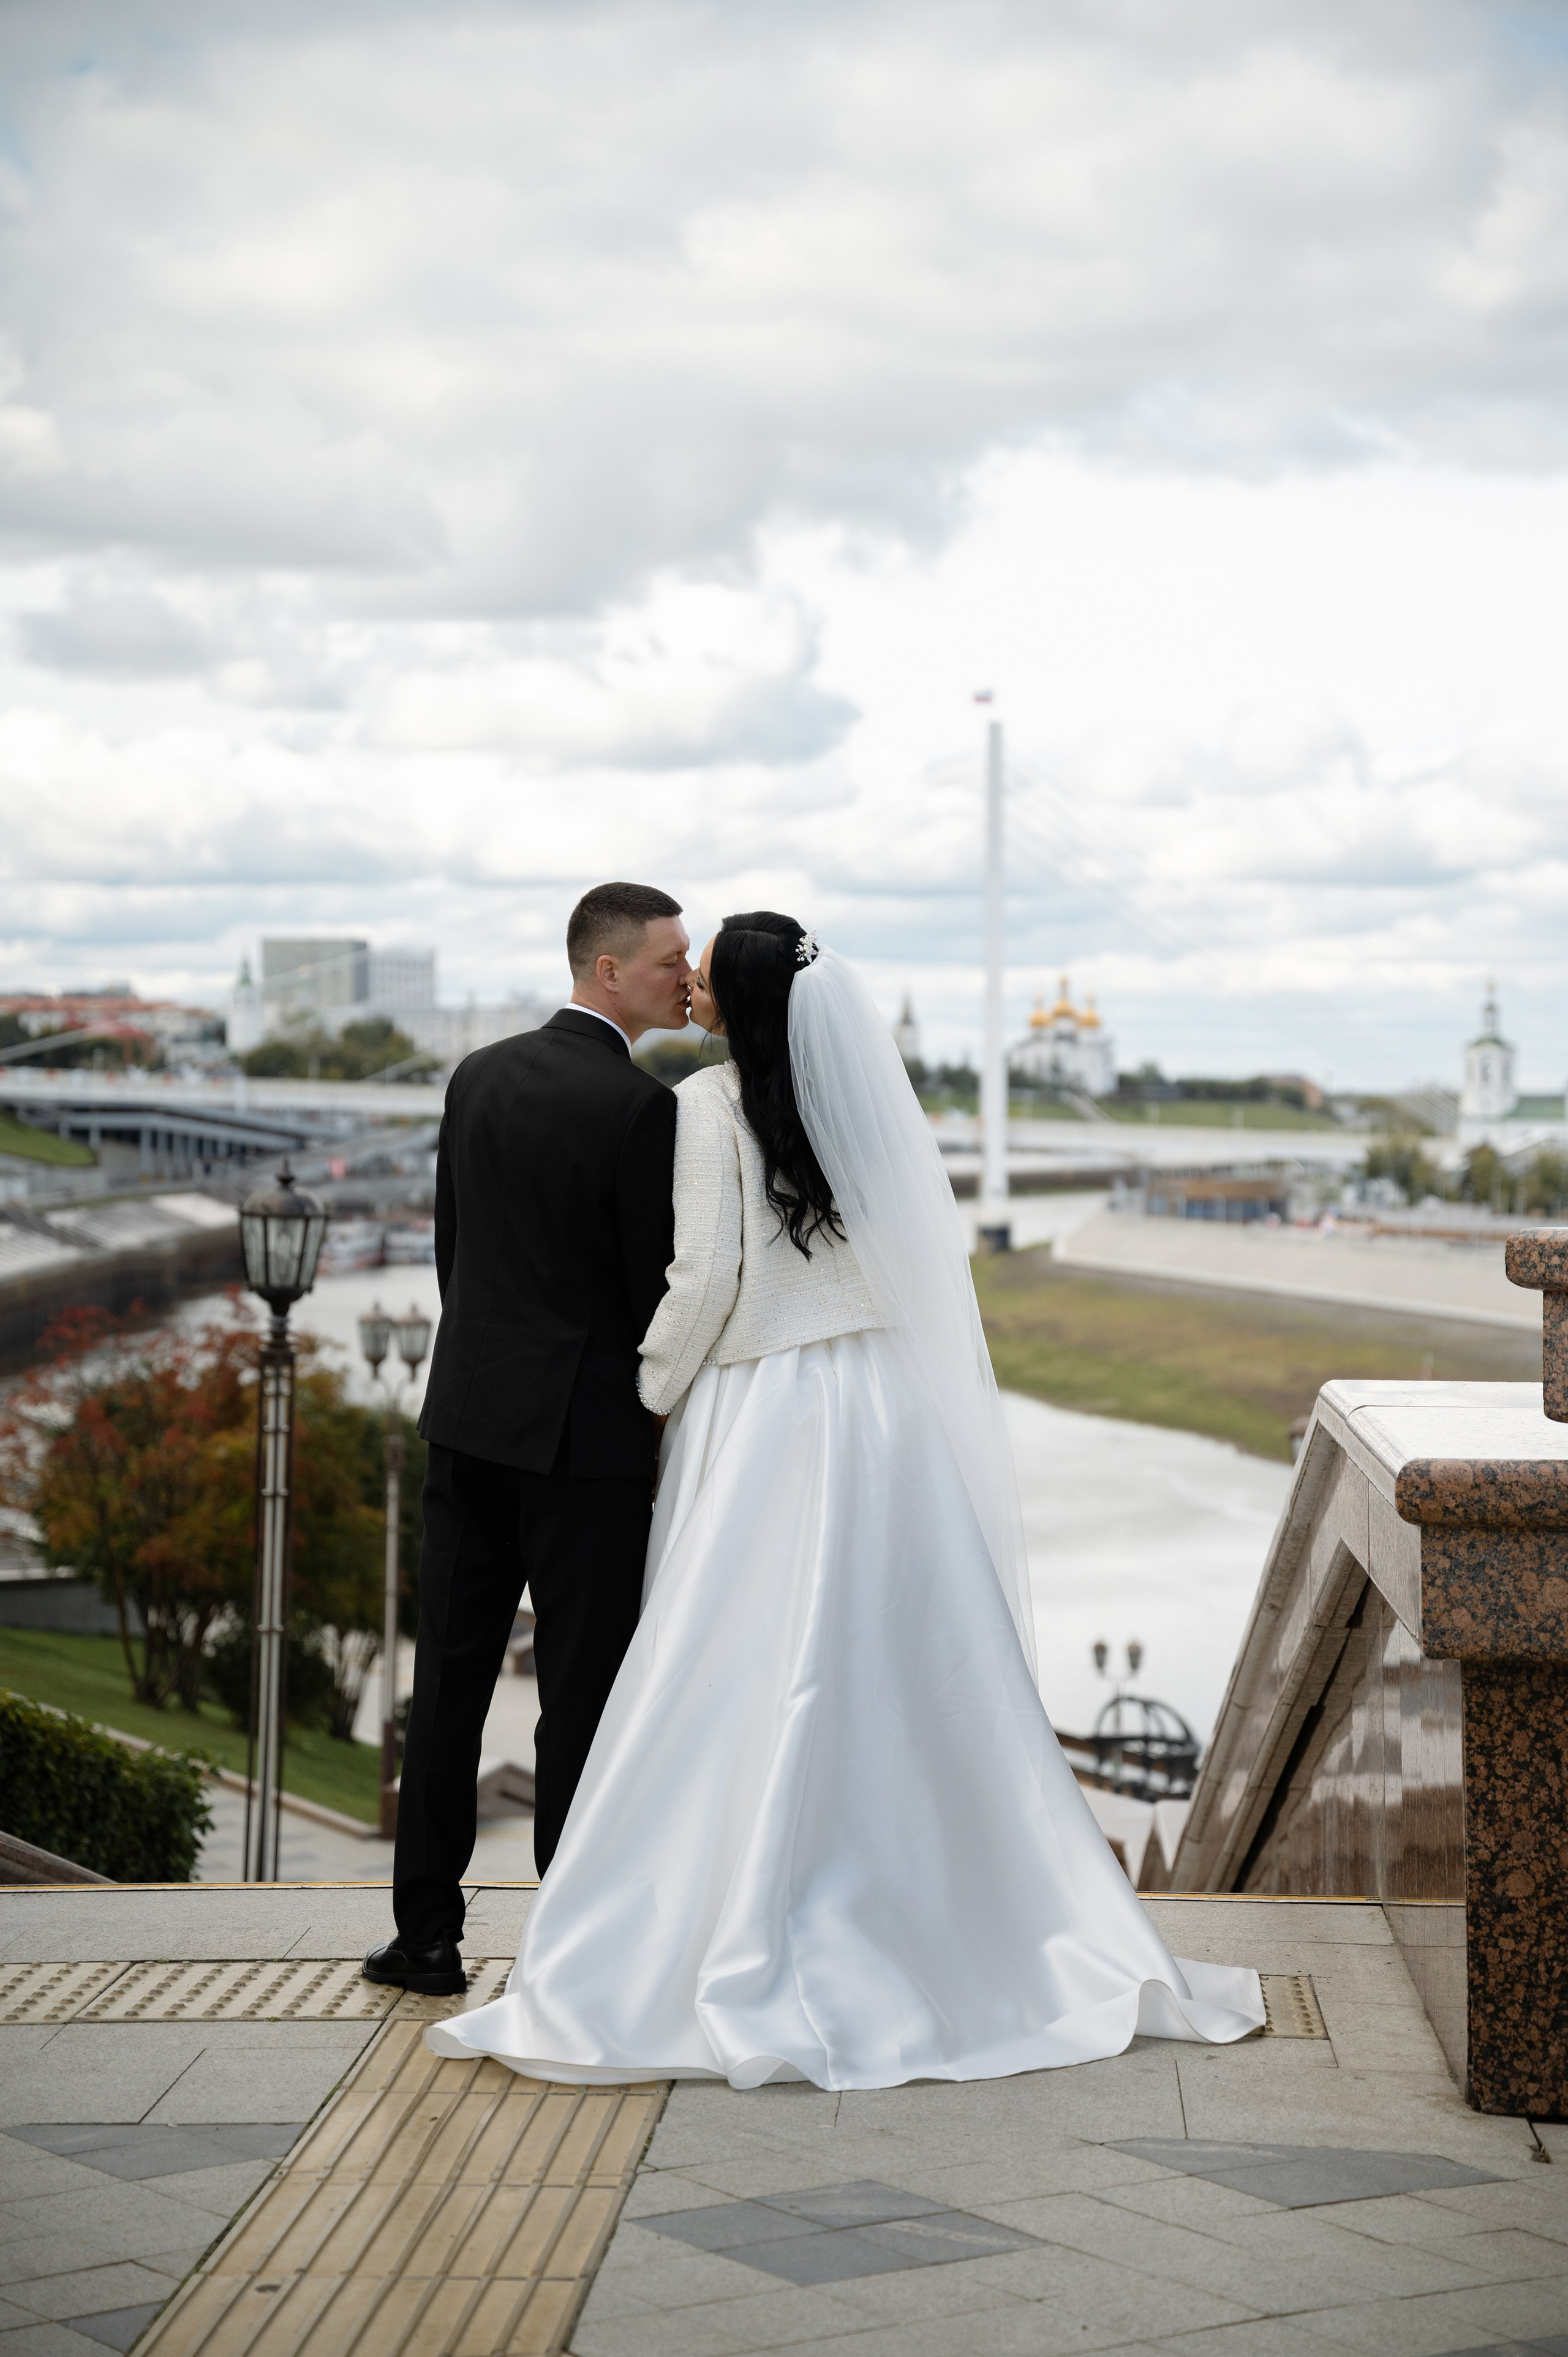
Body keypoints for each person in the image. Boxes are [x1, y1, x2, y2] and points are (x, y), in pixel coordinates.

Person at [426, 914, 1264, 2083]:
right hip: (881, 1413)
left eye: (707, 974)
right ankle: (937, 1911)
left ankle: (725, 1898)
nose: (694, 985)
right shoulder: (857, 1098)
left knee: (732, 1664)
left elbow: (705, 1277)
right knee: (906, 1669)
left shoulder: (705, 1108)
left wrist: (652, 1389)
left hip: (763, 1409)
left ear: (739, 1002)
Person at [363, 882, 692, 1997]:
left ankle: (427, 1939)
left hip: (466, 1419)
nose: (683, 980)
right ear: (608, 971)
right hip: (586, 1445)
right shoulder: (644, 1111)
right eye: (666, 962)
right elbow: (654, 1291)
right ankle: (571, 1942)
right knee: (580, 1699)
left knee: (448, 1685)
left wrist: (486, 1372)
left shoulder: (478, 1075)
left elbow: (457, 1255)